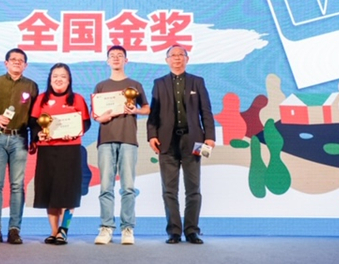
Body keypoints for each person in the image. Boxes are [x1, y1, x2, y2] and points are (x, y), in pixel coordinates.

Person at [146, 45, 216, 245]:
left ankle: (192, 231)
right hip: (166, 141)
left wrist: (210, 136)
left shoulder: (197, 81)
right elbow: (154, 113)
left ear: (187, 59)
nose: (177, 58)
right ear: (167, 60)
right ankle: (174, 232)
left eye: (180, 55)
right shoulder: (159, 83)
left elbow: (206, 111)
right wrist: (152, 135)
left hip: (193, 141)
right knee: (169, 190)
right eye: (173, 55)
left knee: (193, 189)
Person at [0, 48, 39, 245]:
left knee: (17, 186)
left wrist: (36, 137)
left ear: (26, 65)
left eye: (21, 60)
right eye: (13, 59)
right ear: (6, 63)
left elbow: (34, 116)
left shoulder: (31, 86)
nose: (17, 62)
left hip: (20, 138)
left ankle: (14, 230)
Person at [92, 45, 149, 245]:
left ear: (126, 60)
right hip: (106, 140)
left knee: (128, 186)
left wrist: (136, 111)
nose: (116, 58)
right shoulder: (101, 86)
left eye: (120, 56)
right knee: (106, 186)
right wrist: (101, 117)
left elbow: (147, 108)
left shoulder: (134, 84)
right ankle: (106, 227)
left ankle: (127, 228)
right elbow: (95, 114)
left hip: (128, 140)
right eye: (112, 56)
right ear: (107, 61)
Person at [29, 63, 91, 245]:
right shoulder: (41, 99)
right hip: (47, 150)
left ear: (69, 80)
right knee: (49, 191)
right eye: (55, 76)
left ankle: (64, 230)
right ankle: (53, 231)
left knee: (67, 192)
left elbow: (86, 123)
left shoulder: (77, 99)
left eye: (63, 76)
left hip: (70, 150)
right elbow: (33, 123)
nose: (59, 79)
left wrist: (75, 132)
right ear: (50, 79)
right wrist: (38, 135)